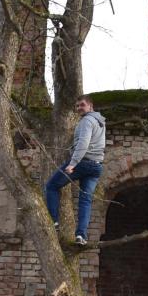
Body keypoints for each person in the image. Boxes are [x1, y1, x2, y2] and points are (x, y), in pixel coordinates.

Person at [45, 94, 106, 245]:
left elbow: (84, 144)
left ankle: (53, 222)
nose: (79, 108)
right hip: (96, 166)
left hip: (82, 163)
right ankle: (81, 236)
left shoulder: (87, 121)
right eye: (77, 106)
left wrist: (72, 163)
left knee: (51, 186)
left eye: (82, 105)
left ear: (90, 106)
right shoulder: (100, 122)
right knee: (85, 201)